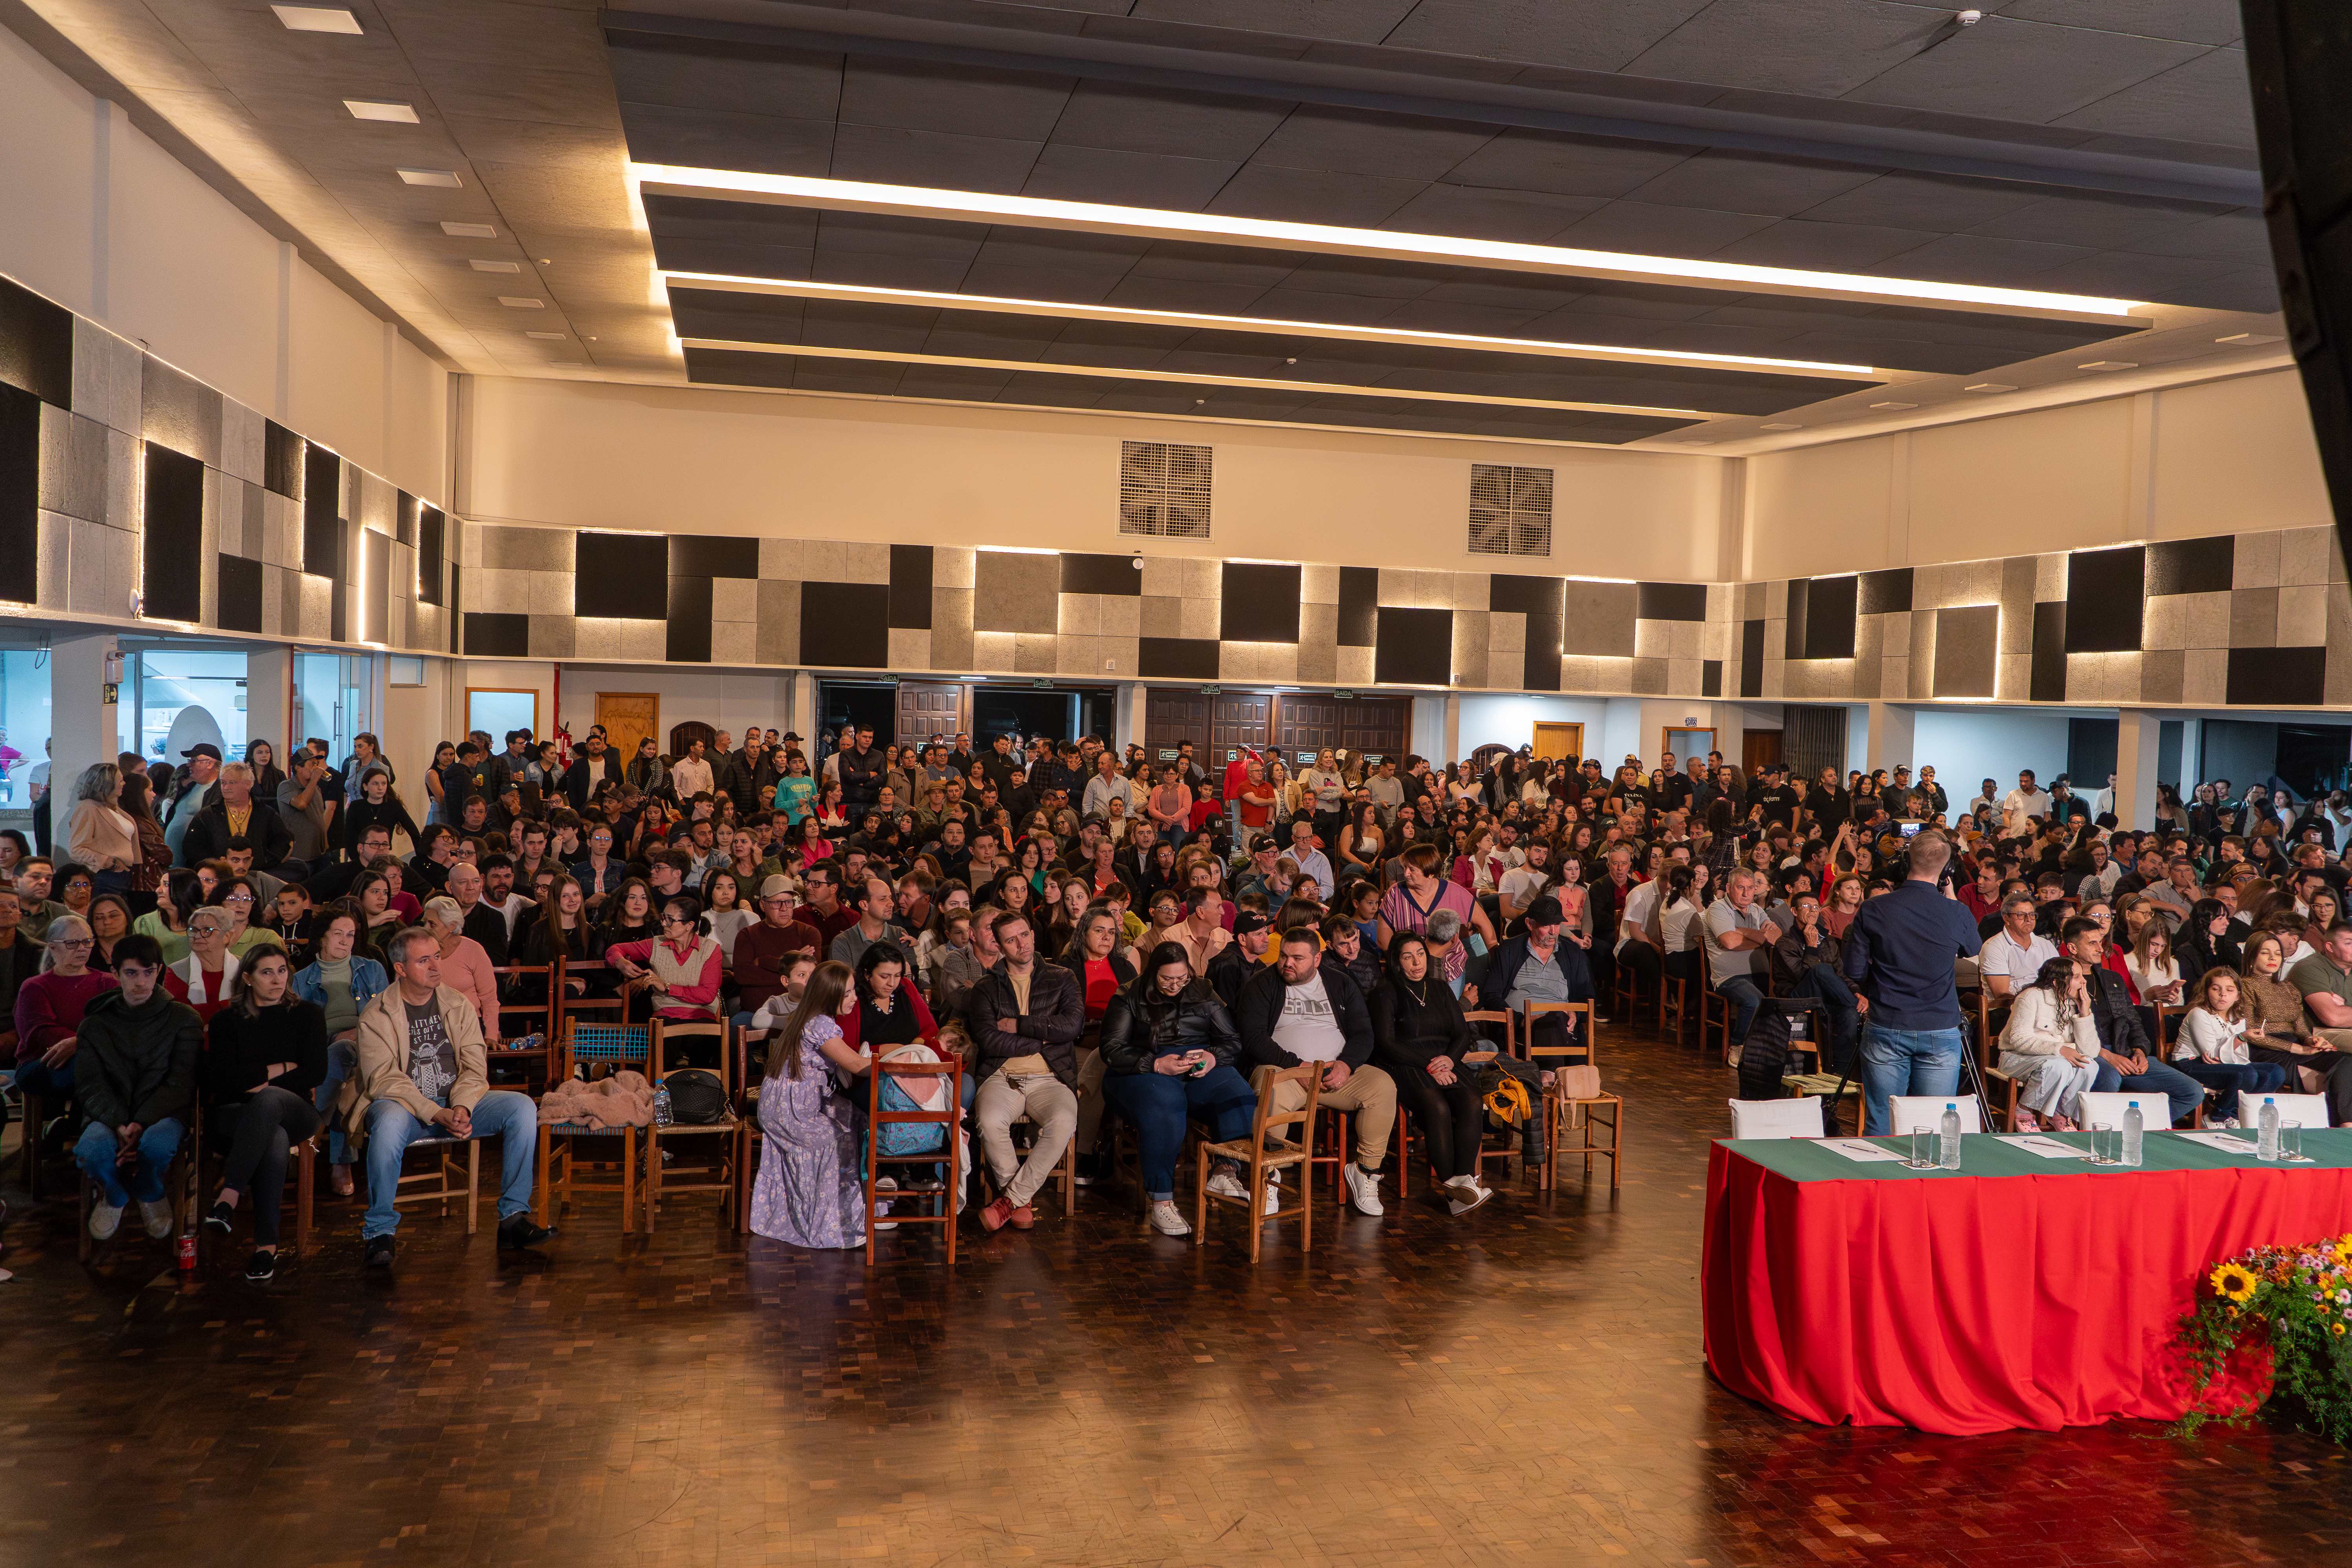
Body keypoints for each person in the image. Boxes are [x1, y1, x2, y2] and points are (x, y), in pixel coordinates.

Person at [343, 925, 553, 1266]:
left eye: (438, 957)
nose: (436, 966)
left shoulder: (458, 1003)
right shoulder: (377, 1014)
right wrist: (434, 1112)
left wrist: (462, 1106)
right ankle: (380, 1231)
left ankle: (513, 1219)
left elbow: (475, 1065)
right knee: (388, 1122)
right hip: (406, 1108)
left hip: (456, 1105)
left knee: (522, 1107)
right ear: (401, 969)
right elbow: (383, 1079)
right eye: (424, 960)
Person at [1097, 942, 1258, 1238]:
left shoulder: (1204, 991)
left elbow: (1232, 1042)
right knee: (1166, 1107)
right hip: (1141, 1069)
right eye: (1166, 979)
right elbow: (1111, 1049)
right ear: (1153, 973)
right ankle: (1161, 1201)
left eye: (1182, 978)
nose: (1175, 985)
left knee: (1239, 1094)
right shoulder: (1129, 994)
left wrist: (1212, 1057)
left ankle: (1225, 1170)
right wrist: (1156, 1064)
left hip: (1195, 1065)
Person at [1235, 929, 1394, 1216]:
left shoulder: (1341, 983)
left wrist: (1347, 1064)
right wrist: (1296, 1066)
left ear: (1317, 959)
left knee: (1383, 1086)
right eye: (1284, 956)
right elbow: (1254, 1038)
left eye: (1298, 958)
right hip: (1284, 1071)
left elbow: (1363, 1033)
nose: (1288, 963)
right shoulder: (1261, 984)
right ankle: (1269, 1178)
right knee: (1272, 1091)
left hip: (1335, 1072)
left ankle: (1365, 1172)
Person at [1840, 832, 1989, 1137]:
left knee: (1882, 1120)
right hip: (1941, 1027)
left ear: (1905, 862)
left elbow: (1854, 970)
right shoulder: (1957, 911)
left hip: (1887, 1023)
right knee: (1933, 1123)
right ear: (1947, 870)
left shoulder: (1874, 908)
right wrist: (1949, 895)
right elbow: (1974, 950)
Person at [199, 942, 328, 1279]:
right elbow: (220, 1081)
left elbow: (315, 1073)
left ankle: (228, 1196)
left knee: (270, 1100)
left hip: (297, 1111)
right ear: (248, 978)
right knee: (274, 1135)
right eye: (267, 972)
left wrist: (256, 1082)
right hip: (235, 1116)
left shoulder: (308, 1015)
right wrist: (282, 1067)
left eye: (282, 971)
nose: (277, 979)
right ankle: (266, 1247)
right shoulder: (226, 1021)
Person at [71, 932, 201, 1242]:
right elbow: (90, 1085)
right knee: (91, 1150)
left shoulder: (184, 1019)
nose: (141, 982)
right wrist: (119, 1122)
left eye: (149, 972)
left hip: (164, 1112)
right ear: (115, 973)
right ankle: (115, 1194)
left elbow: (182, 1082)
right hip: (110, 1114)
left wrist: (141, 1121)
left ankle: (149, 1189)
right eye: (131, 973)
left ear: (160, 971)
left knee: (157, 1146)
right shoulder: (95, 1024)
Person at [962, 910, 1083, 1232]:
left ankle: (1011, 1201)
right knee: (989, 1122)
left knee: (1065, 1121)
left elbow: (1072, 1026)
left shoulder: (1063, 977)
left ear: (1033, 933)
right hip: (1002, 1076)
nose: (1022, 944)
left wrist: (1020, 1025)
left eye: (1025, 935)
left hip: (1052, 1076)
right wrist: (1043, 1038)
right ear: (1000, 946)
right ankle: (1021, 1202)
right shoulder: (986, 987)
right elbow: (989, 1040)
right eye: (1012, 940)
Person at [748, 959, 869, 1248]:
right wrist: (899, 1065)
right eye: (848, 993)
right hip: (790, 1108)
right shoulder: (819, 1024)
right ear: (830, 994)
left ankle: (858, 1209)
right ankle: (832, 1222)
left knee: (854, 1116)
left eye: (854, 991)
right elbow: (856, 1065)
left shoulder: (809, 1015)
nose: (854, 998)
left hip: (794, 1100)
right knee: (836, 1138)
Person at [1370, 933, 1492, 1215]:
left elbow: (1461, 1034)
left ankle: (1464, 1183)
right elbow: (1386, 1043)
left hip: (1444, 1060)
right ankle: (1454, 1193)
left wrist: (1449, 1060)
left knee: (1472, 1100)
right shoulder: (1385, 992)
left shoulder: (1439, 987)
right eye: (1408, 957)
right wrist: (1430, 1065)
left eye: (1421, 954)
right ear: (1397, 962)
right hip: (1406, 1063)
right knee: (1436, 1106)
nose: (1417, 963)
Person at [2054, 915, 2202, 1126]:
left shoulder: (2112, 979)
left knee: (2192, 1092)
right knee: (2110, 1077)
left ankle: (2133, 1126)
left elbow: (2132, 1018)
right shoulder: (2063, 982)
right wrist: (2108, 1056)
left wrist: (2140, 1051)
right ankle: (2099, 1132)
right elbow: (2065, 1032)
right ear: (2073, 948)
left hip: (2124, 1051)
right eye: (2092, 943)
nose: (2100, 948)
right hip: (2089, 1054)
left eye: (2101, 942)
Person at [1995, 955, 2107, 1132]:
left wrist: (2085, 1013)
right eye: (2077, 977)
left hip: (2054, 1059)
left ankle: (2060, 1113)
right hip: (2017, 1058)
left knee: (2090, 1066)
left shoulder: (2075, 1002)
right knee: (2059, 1066)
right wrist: (2060, 1049)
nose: (2084, 982)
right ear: (2057, 982)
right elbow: (2019, 1040)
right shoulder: (2031, 997)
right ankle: (2024, 1110)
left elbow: (2091, 1052)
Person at [2169, 967, 2288, 1123]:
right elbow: (2211, 1055)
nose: (2223, 995)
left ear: (2238, 996)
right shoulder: (2199, 1013)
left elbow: (2239, 1055)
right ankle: (2216, 1118)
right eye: (2216, 989)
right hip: (2191, 1064)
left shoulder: (2237, 1017)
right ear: (2206, 992)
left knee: (2275, 1072)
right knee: (2247, 1074)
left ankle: (2237, 1115)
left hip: (2223, 1062)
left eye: (2230, 990)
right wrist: (2242, 1038)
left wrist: (2238, 1044)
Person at [606, 897, 725, 1024]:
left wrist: (666, 987)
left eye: (670, 920)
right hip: (665, 1016)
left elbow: (707, 995)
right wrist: (620, 962)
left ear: (689, 926)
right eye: (664, 917)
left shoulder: (711, 949)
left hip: (702, 1017)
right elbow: (614, 949)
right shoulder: (656, 945)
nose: (663, 923)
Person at [1701, 869, 1777, 1048]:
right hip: (1730, 978)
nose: (1746, 893)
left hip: (1762, 976)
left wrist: (1741, 931)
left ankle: (1769, 1048)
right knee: (1754, 1001)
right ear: (1729, 888)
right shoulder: (1718, 909)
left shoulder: (1756, 910)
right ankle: (1738, 1046)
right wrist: (1761, 939)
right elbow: (1730, 942)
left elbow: (1775, 938)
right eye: (1741, 887)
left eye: (1750, 888)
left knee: (1789, 996)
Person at [65, 762, 140, 900]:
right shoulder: (88, 808)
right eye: (120, 781)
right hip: (106, 877)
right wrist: (110, 862)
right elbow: (76, 850)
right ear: (106, 784)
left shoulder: (113, 808)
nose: (124, 783)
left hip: (125, 877)